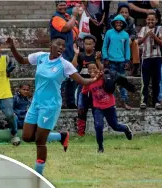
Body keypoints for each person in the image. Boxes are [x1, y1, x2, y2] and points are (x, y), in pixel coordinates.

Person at [8, 35, 101, 175]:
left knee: (40, 141)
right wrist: (12, 47)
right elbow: (21, 60)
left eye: (64, 46)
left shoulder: (64, 64)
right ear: (51, 45)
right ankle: (61, 136)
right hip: (36, 103)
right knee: (26, 137)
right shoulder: (41, 57)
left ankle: (38, 174)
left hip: (50, 106)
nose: (61, 48)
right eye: (59, 44)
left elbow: (82, 81)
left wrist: (95, 79)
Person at [81, 58, 133, 153]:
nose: (92, 70)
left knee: (115, 126)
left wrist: (97, 60)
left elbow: (102, 68)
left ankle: (125, 129)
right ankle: (100, 147)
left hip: (109, 106)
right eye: (90, 69)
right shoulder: (88, 82)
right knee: (98, 126)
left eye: (94, 68)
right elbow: (83, 93)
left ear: (98, 69)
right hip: (97, 107)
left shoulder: (104, 77)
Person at [50, 0, 79, 109]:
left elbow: (75, 30)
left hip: (70, 50)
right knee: (62, 77)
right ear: (56, 6)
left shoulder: (67, 16)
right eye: (60, 5)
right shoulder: (56, 18)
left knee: (72, 76)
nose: (63, 7)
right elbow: (66, 27)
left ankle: (71, 102)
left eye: (64, 4)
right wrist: (75, 15)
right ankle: (60, 102)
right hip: (61, 51)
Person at [102, 14, 131, 110]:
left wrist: (127, 60)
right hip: (111, 61)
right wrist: (105, 58)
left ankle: (124, 102)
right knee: (111, 82)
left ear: (123, 24)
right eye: (117, 22)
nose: (118, 24)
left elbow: (127, 49)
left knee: (122, 82)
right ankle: (111, 103)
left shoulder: (126, 35)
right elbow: (104, 46)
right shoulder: (109, 33)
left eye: (120, 23)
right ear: (113, 23)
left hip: (121, 62)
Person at [72, 34, 97, 136]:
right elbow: (73, 66)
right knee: (81, 109)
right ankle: (81, 133)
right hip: (82, 86)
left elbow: (102, 69)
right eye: (86, 44)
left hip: (95, 86)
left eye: (90, 44)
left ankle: (98, 131)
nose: (88, 46)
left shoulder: (97, 55)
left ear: (94, 44)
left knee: (97, 109)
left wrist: (99, 60)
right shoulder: (81, 55)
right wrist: (76, 54)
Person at [138, 12, 162, 109]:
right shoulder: (143, 29)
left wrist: (154, 37)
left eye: (152, 19)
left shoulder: (159, 29)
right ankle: (143, 101)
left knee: (156, 80)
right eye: (149, 19)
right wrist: (146, 36)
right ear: (146, 20)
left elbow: (161, 43)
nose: (150, 21)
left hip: (156, 58)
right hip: (146, 58)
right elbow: (138, 42)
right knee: (145, 81)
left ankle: (156, 101)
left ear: (156, 20)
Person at [108, 2, 140, 76]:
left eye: (126, 12)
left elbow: (134, 33)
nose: (124, 14)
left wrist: (130, 39)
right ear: (118, 12)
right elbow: (110, 33)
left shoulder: (131, 20)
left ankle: (135, 66)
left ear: (129, 13)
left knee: (135, 42)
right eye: (122, 12)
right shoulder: (113, 19)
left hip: (127, 41)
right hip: (115, 41)